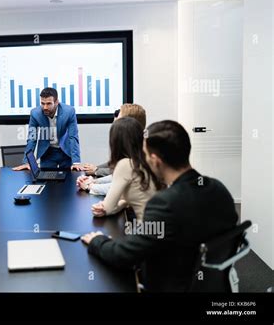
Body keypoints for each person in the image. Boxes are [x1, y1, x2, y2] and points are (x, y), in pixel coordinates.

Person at [81, 120, 238, 292]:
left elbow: (124, 256)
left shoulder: (164, 203)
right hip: (214, 284)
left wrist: (98, 241)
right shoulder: (219, 189)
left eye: (145, 156)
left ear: (155, 161)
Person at [82, 117, 162, 221]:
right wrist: (120, 204)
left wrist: (102, 205)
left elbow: (108, 206)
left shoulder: (126, 164)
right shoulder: (149, 160)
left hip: (147, 231)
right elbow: (129, 199)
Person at [77, 104, 148, 196]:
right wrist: (95, 181)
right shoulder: (136, 142)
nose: (115, 119)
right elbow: (120, 176)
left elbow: (119, 186)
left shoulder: (143, 149)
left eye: (118, 116)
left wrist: (90, 185)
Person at [13, 87, 83, 171]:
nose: (45, 107)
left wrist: (76, 162)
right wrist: (27, 162)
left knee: (68, 179)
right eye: (43, 103)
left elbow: (73, 137)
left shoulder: (69, 111)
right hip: (47, 151)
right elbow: (32, 138)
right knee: (47, 179)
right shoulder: (35, 113)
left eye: (49, 103)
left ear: (56, 102)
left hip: (65, 150)